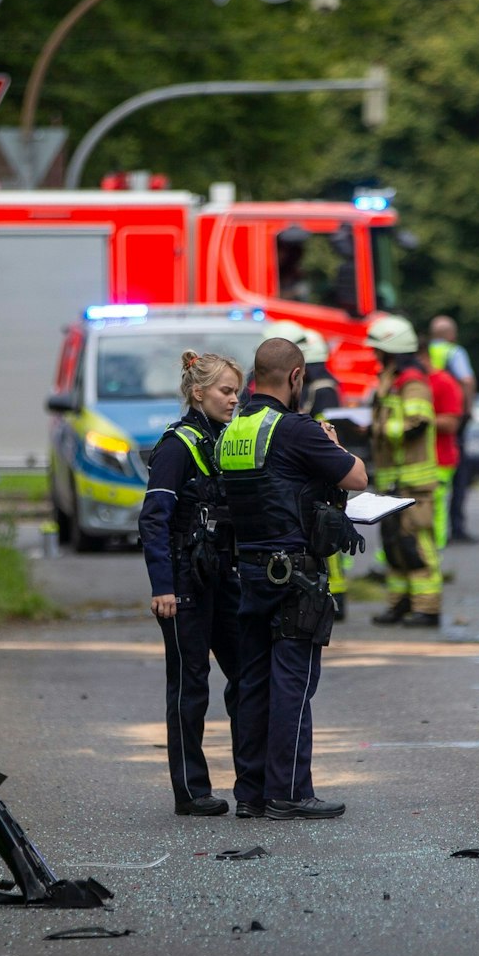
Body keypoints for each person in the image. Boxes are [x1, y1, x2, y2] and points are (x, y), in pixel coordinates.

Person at [218, 337, 368, 820]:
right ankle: (289, 792)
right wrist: (329, 443)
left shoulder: (235, 429)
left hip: (249, 573)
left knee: (253, 685)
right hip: (293, 577)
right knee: (293, 686)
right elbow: (357, 478)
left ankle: (252, 794)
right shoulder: (298, 430)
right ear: (297, 377)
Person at [138, 351, 245, 816]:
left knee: (245, 673)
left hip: (222, 579)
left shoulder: (224, 440)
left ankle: (255, 781)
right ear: (198, 392)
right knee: (190, 685)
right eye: (226, 391)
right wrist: (162, 586)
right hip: (183, 584)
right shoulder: (177, 445)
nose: (234, 400)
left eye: (237, 391)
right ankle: (191, 791)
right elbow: (153, 520)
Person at [263, 321, 349, 617]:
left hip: (317, 470)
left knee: (326, 532)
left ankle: (334, 595)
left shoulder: (322, 389)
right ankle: (329, 593)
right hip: (308, 470)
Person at [368, 315, 442, 627]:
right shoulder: (392, 378)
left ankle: (427, 607)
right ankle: (399, 603)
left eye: (379, 350)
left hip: (413, 481)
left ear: (392, 350)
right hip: (394, 479)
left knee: (415, 544)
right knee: (394, 545)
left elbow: (418, 422)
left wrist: (381, 428)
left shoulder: (412, 381)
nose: (375, 355)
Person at [428, 316, 479, 545]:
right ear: (451, 334)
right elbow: (467, 380)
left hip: (427, 417)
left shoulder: (426, 353)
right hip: (449, 417)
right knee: (457, 474)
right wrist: (467, 409)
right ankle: (456, 527)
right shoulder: (454, 352)